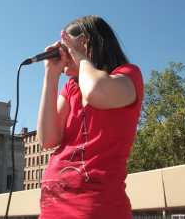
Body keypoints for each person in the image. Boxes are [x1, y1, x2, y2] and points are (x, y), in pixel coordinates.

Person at [37, 16, 144, 219]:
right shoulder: (71, 88)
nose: (64, 54)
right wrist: (51, 76)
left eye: (67, 47)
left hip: (96, 207)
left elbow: (96, 92)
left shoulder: (127, 75)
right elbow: (47, 138)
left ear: (87, 43)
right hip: (53, 207)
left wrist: (81, 57)